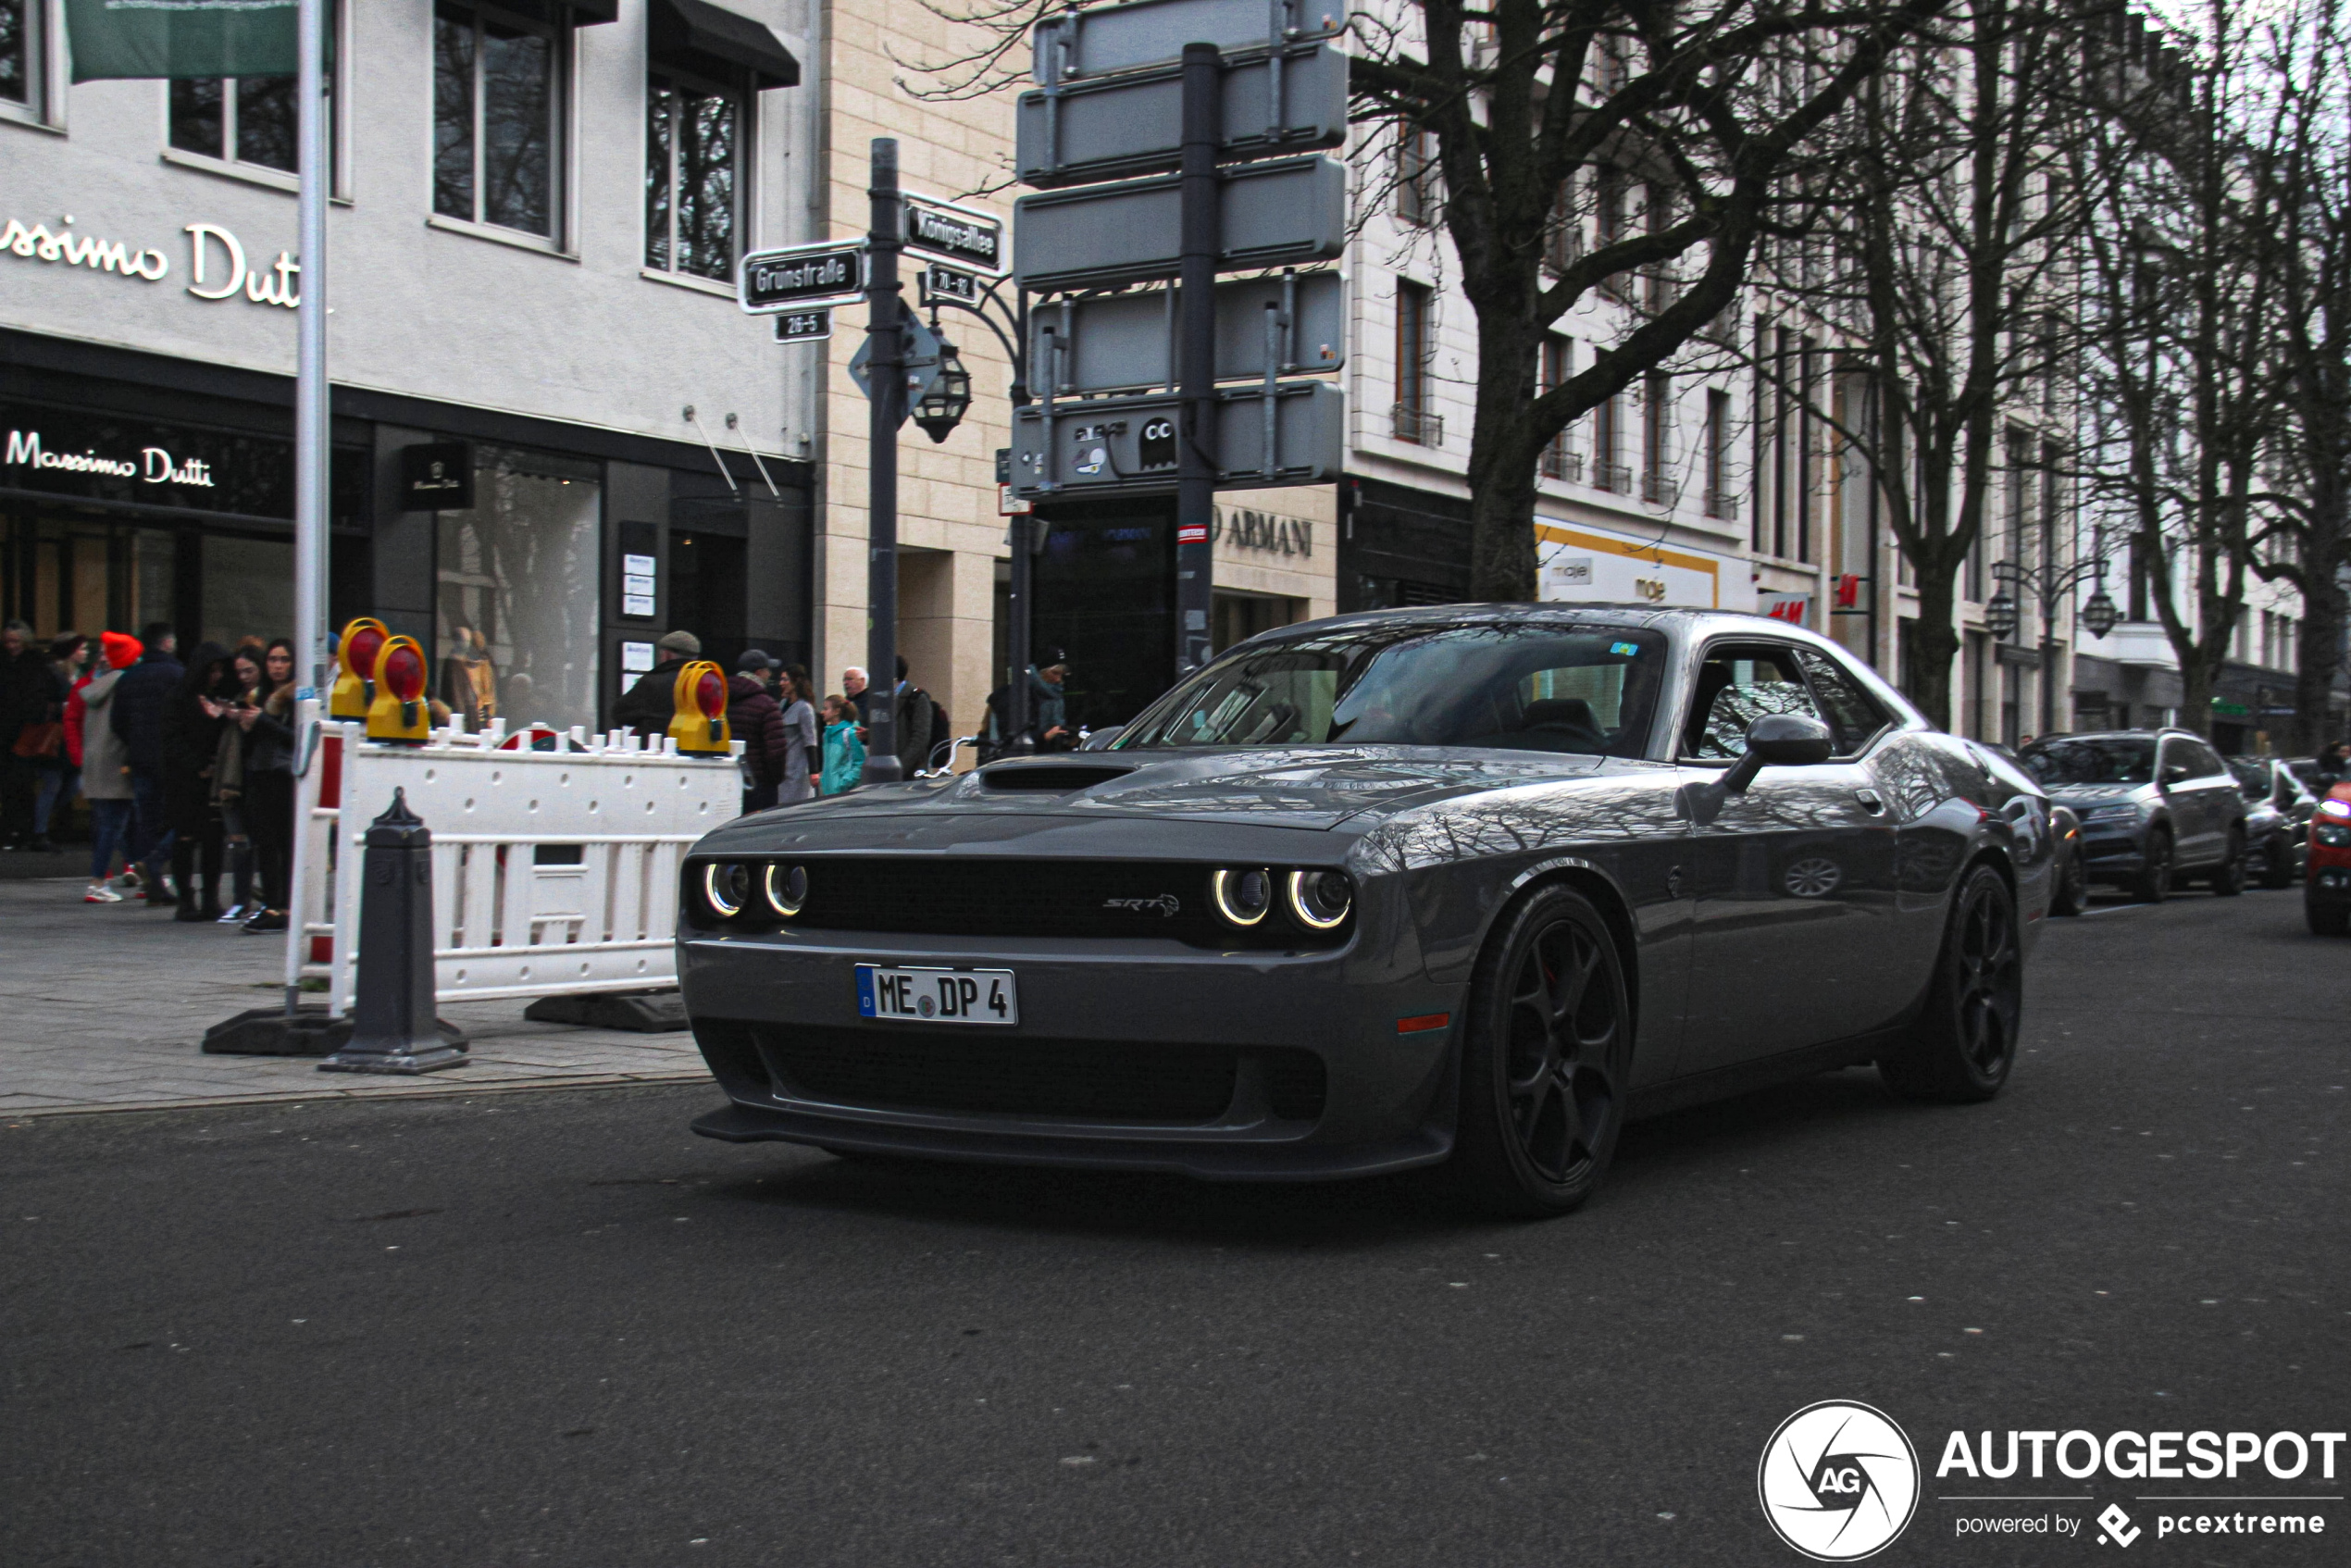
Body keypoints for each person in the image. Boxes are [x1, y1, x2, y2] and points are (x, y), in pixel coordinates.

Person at [110, 622, 183, 902]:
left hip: (140, 760)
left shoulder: (129, 678)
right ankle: (157, 862)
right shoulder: (178, 674)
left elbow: (117, 722)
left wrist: (135, 742)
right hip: (172, 760)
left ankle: (154, 885)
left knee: (148, 820)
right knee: (181, 816)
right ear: (166, 643)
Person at [231, 639, 297, 933]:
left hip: (284, 775)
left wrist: (262, 721)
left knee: (284, 842)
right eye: (272, 660)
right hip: (259, 773)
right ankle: (272, 904)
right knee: (265, 844)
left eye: (283, 660)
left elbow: (297, 737)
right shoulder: (259, 694)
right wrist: (245, 726)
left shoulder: (298, 694)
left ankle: (285, 905)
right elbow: (252, 744)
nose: (277, 666)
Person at [162, 642, 231, 921]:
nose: (216, 676)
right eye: (212, 670)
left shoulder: (216, 697)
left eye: (219, 671)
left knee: (213, 839)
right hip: (185, 780)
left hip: (209, 778)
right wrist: (198, 765)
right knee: (186, 838)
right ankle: (187, 897)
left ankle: (210, 897)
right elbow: (171, 738)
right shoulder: (179, 698)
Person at [68, 632, 140, 903]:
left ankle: (126, 875)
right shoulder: (124, 685)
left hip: (96, 764)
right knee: (116, 825)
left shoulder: (96, 687)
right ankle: (98, 881)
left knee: (110, 823)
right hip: (117, 763)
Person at [207, 647, 265, 922]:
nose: (244, 677)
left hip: (256, 775)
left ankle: (260, 900)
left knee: (259, 840)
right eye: (240, 671)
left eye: (249, 670)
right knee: (238, 840)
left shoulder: (265, 698)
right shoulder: (237, 698)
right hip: (232, 776)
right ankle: (242, 901)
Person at [2, 618, 65, 851]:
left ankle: (22, 829)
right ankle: (21, 829)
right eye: (8, 641)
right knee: (17, 782)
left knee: (21, 781)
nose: (11, 646)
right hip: (17, 727)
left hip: (28, 729)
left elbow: (57, 690)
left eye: (15, 641)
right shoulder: (36, 663)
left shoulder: (36, 663)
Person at [728, 649, 789, 814]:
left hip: (727, 779)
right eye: (768, 670)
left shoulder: (722, 698)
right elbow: (776, 752)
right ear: (759, 672)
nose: (770, 675)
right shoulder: (767, 705)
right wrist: (775, 780)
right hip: (759, 784)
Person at [613, 629, 701, 739]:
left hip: (658, 750)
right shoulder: (706, 682)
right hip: (698, 748)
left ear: (667, 655)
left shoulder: (653, 681)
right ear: (695, 658)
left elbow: (619, 713)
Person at [778, 664, 820, 803]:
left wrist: (814, 771)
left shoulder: (804, 708)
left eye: (785, 679)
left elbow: (810, 740)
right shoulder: (782, 704)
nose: (781, 683)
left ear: (795, 682)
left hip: (798, 767)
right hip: (783, 766)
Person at [820, 694, 865, 794]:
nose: (822, 712)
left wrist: (844, 782)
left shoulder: (850, 733)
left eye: (826, 708)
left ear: (837, 711)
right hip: (829, 791)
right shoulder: (827, 734)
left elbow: (860, 762)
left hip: (843, 792)